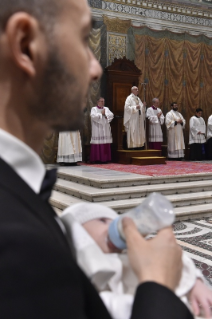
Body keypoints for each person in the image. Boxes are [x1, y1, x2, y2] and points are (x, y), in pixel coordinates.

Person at [0, 0, 193, 318]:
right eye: (81, 39)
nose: (93, 69)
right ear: (25, 45)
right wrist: (158, 285)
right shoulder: (16, 245)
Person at [61, 203, 212, 319]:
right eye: (102, 220)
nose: (114, 227)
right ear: (76, 232)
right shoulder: (79, 275)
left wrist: (194, 282)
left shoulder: (127, 257)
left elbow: (175, 263)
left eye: (114, 220)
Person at [90, 97, 114, 163]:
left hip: (105, 128)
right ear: (98, 102)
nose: (102, 102)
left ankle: (105, 159)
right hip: (97, 128)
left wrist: (105, 114)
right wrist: (101, 114)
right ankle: (97, 159)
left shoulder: (106, 108)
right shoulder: (94, 109)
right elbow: (93, 116)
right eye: (101, 101)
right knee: (97, 143)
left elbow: (111, 115)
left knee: (105, 142)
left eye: (103, 101)